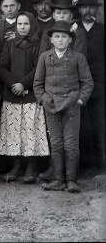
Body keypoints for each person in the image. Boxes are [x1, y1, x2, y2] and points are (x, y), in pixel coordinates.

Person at [34, 20, 94, 193]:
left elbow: (87, 83)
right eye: (57, 37)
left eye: (64, 37)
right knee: (56, 144)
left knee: (71, 144)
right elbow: (37, 83)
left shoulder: (77, 58)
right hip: (51, 105)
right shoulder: (45, 57)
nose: (60, 40)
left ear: (70, 40)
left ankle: (72, 180)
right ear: (51, 40)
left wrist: (80, 100)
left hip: (71, 105)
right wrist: (42, 99)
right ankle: (58, 179)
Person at [0, 11, 48, 183]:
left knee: (30, 130)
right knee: (13, 131)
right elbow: (2, 67)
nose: (23, 27)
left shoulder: (38, 44)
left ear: (32, 25)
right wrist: (13, 84)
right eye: (19, 24)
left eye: (26, 24)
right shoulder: (9, 44)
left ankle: (31, 167)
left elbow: (38, 68)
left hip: (31, 95)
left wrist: (24, 84)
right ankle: (16, 165)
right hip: (12, 94)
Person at [76, 0, 105, 172]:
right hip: (76, 85)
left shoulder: (102, 30)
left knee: (97, 124)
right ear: (79, 9)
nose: (88, 11)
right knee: (79, 126)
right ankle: (81, 165)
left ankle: (99, 165)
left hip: (99, 85)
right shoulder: (72, 29)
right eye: (84, 7)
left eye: (91, 7)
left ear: (96, 9)